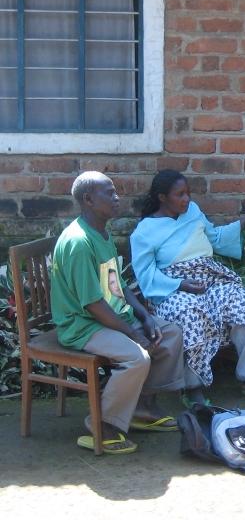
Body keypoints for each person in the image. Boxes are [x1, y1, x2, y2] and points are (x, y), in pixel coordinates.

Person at [51, 171, 185, 454]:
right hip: (82, 325)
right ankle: (103, 426)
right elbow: (93, 305)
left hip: (109, 315)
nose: (117, 198)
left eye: (115, 192)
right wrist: (134, 334)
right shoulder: (79, 242)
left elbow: (117, 284)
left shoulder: (101, 232)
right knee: (136, 357)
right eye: (109, 193)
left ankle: (141, 409)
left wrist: (145, 318)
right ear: (88, 200)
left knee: (170, 333)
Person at [130, 169, 245, 409]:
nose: (186, 199)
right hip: (171, 289)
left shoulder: (193, 212)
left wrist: (244, 220)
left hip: (211, 279)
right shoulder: (144, 232)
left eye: (188, 193)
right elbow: (146, 275)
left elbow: (216, 238)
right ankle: (192, 387)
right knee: (191, 313)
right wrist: (181, 284)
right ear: (162, 197)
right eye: (179, 195)